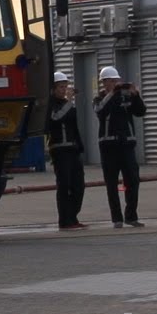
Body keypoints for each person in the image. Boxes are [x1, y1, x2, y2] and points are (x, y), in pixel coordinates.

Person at [93, 66, 146, 228]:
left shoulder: (125, 97)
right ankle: (117, 218)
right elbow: (101, 111)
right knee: (111, 183)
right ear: (104, 82)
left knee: (133, 180)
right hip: (108, 147)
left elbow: (140, 111)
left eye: (117, 81)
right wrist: (112, 94)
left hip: (126, 145)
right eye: (112, 81)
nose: (115, 84)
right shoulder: (99, 98)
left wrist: (135, 95)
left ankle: (131, 216)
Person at [47, 71, 86, 230]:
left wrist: (79, 146)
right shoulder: (51, 104)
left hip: (73, 148)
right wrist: (69, 102)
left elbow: (74, 127)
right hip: (59, 149)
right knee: (64, 185)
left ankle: (73, 216)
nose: (64, 90)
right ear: (53, 89)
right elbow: (56, 118)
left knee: (78, 185)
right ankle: (64, 220)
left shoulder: (66, 104)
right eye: (61, 87)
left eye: (65, 87)